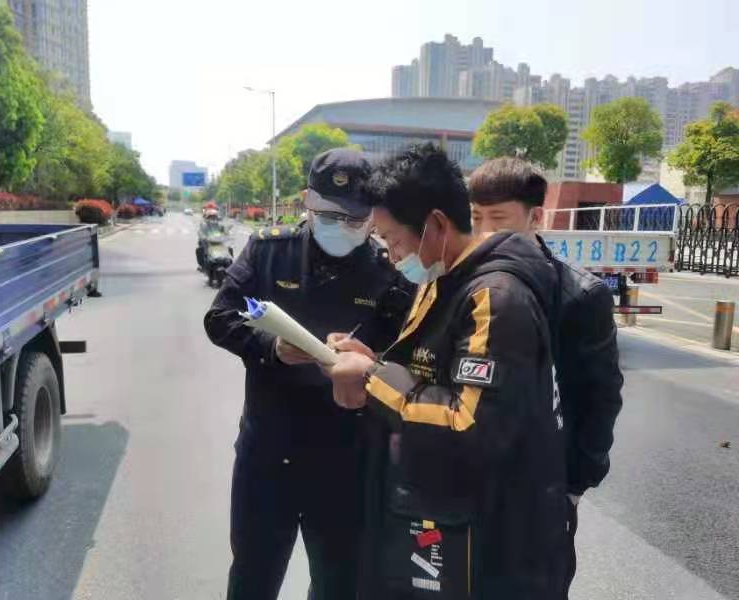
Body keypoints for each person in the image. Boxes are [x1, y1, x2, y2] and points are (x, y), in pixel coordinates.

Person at [325, 143, 567, 599]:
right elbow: (430, 372)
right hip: (445, 514)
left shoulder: (495, 298)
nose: (391, 256)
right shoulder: (443, 277)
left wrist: (372, 378)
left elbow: (469, 423)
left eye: (394, 240)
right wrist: (373, 360)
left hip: (491, 540)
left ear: (436, 224)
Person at [204, 148, 414, 600]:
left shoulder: (389, 272)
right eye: (330, 215)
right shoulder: (268, 251)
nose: (342, 227)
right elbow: (220, 318)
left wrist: (369, 361)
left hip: (346, 459)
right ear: (307, 202)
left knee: (339, 583)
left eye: (355, 219)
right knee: (253, 576)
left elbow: (409, 359)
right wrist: (271, 348)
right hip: (268, 452)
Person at [468, 157, 624, 595]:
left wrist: (575, 485)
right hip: (473, 481)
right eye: (476, 218)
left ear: (536, 217)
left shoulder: (578, 295)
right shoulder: (465, 282)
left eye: (498, 219)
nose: (484, 232)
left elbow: (601, 397)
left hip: (542, 488)